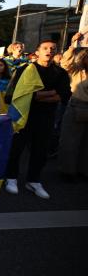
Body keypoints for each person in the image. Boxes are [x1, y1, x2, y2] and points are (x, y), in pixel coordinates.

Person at [3, 40, 71, 199]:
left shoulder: (60, 73)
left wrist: (35, 95)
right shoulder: (23, 70)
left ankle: (33, 180)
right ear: (37, 52)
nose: (50, 51)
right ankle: (11, 177)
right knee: (17, 148)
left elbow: (63, 95)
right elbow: (12, 96)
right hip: (23, 116)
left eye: (53, 48)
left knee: (40, 150)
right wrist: (48, 94)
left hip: (46, 117)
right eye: (45, 48)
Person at [58, 32, 88, 179]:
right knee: (70, 141)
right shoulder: (77, 71)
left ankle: (83, 170)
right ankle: (68, 171)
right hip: (77, 107)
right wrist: (73, 45)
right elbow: (65, 63)